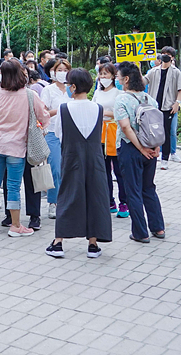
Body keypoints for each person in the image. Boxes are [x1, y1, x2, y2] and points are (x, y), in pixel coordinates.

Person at [0, 59, 50, 237]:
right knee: (13, 186)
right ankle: (16, 225)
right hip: (16, 148)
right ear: (21, 74)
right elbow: (44, 116)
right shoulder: (29, 94)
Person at [45, 68, 112, 258]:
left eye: (68, 84)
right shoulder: (98, 108)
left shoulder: (64, 109)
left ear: (73, 87)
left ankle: (58, 243)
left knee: (67, 195)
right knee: (95, 197)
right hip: (95, 158)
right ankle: (93, 244)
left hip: (72, 156)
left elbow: (59, 134)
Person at [113, 61, 165, 243]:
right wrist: (154, 147)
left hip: (130, 148)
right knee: (148, 187)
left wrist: (140, 148)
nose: (117, 79)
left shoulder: (121, 99)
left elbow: (126, 127)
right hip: (151, 149)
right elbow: (158, 125)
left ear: (126, 79)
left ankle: (140, 232)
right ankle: (158, 227)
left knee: (133, 190)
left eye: (119, 77)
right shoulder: (149, 99)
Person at [93, 62, 127, 218]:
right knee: (103, 171)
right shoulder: (97, 93)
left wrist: (105, 113)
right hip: (99, 134)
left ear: (113, 76)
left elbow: (120, 113)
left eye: (106, 74)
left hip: (114, 133)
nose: (103, 77)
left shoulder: (118, 93)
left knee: (119, 171)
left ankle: (124, 202)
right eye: (101, 74)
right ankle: (109, 200)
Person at [40, 58, 72, 220]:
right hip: (52, 132)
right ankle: (53, 203)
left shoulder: (72, 89)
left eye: (65, 70)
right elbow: (43, 112)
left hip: (70, 134)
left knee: (69, 169)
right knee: (55, 168)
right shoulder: (48, 90)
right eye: (59, 70)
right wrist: (59, 110)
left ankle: (67, 201)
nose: (62, 73)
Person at [145, 47, 181, 169]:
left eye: (168, 54)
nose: (165, 56)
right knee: (151, 132)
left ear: (172, 57)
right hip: (154, 107)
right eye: (163, 54)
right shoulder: (153, 71)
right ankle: (152, 155)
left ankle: (165, 159)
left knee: (166, 132)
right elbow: (143, 81)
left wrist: (177, 102)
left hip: (168, 107)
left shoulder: (176, 72)